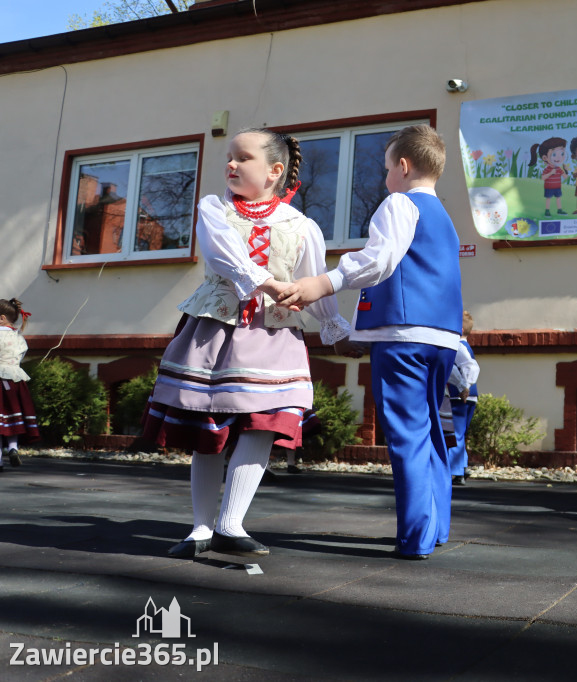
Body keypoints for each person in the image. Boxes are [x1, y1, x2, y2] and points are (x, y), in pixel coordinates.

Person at [143, 128, 352, 559]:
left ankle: (230, 523)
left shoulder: (302, 226)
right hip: (216, 331)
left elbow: (311, 285)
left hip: (274, 335)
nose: (231, 165)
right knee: (209, 428)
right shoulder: (215, 207)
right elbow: (222, 254)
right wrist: (267, 281)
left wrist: (336, 329)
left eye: (243, 158)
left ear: (275, 171)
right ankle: (200, 527)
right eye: (229, 158)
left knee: (266, 423)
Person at [279, 124, 463, 560]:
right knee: (431, 432)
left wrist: (327, 281)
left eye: (385, 169)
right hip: (442, 337)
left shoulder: (399, 203)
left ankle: (415, 537)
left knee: (406, 435)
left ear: (402, 166)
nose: (384, 179)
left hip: (402, 335)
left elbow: (380, 259)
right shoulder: (446, 219)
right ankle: (435, 528)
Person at [0, 298, 39, 470]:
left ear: (1, 318)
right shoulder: (19, 338)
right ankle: (13, 448)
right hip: (16, 381)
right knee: (12, 418)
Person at [448, 310, 480, 486]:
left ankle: (457, 470)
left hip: (458, 395)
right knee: (461, 433)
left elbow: (471, 367)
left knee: (456, 433)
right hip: (470, 396)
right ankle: (462, 465)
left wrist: (464, 386)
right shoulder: (466, 346)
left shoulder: (458, 347)